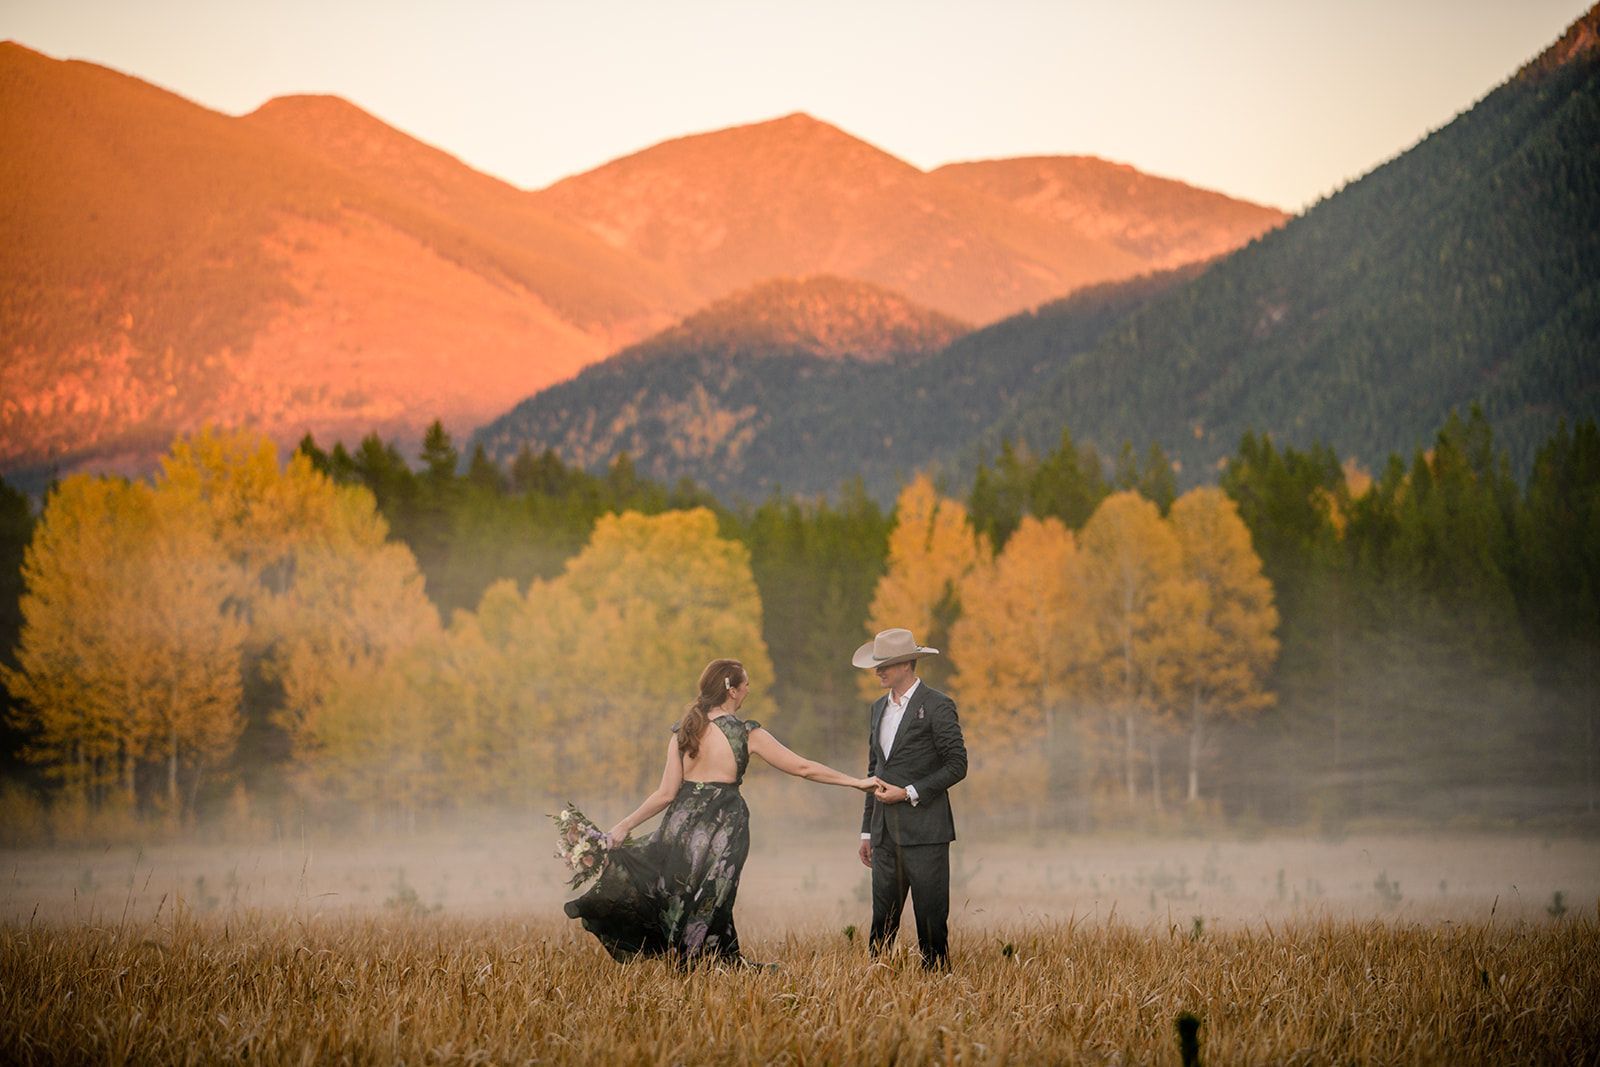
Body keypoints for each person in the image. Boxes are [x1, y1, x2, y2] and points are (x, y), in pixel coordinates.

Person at [563, 658, 877, 966]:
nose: (749, 690)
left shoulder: (685, 731)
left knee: (674, 888)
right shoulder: (745, 733)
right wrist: (856, 782)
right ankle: (704, 960)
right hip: (724, 826)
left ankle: (699, 958)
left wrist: (622, 826)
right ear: (732, 690)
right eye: (747, 684)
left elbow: (665, 794)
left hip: (681, 824)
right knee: (714, 896)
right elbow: (803, 768)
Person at [856, 627, 968, 970]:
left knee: (931, 920)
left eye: (885, 664)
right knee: (882, 920)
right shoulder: (877, 709)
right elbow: (874, 770)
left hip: (927, 833)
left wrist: (908, 793)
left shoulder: (938, 705)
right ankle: (878, 981)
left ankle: (936, 981)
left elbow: (957, 765)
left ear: (906, 664)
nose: (878, 670)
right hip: (884, 833)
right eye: (877, 664)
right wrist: (865, 832)